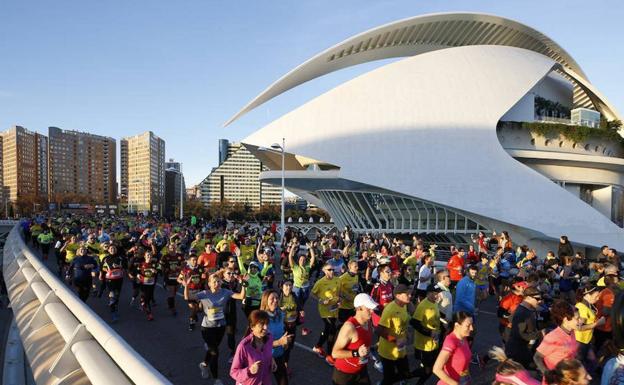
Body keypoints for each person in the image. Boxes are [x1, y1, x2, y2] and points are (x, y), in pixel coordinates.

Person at [185, 270, 245, 383]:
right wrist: (187, 285)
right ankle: (216, 379)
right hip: (207, 328)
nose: (217, 283)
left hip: (220, 327)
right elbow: (187, 296)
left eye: (218, 281)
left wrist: (243, 284)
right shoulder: (204, 293)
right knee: (215, 352)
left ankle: (204, 364)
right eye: (214, 282)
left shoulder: (225, 292)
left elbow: (241, 296)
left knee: (213, 348)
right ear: (209, 283)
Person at [331, 293, 378, 385]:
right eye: (368, 308)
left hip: (361, 370)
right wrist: (357, 353)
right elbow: (335, 353)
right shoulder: (349, 327)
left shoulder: (368, 323)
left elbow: (362, 345)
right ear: (359, 308)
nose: (372, 311)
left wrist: (373, 348)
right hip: (344, 375)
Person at [377, 284, 412, 385]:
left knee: (406, 374)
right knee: (389, 379)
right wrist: (395, 340)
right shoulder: (390, 309)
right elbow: (379, 330)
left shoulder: (404, 305)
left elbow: (402, 323)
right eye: (407, 294)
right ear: (398, 296)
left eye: (410, 294)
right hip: (388, 352)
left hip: (401, 349)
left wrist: (406, 332)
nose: (410, 296)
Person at [230, 310, 277, 385]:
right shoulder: (243, 346)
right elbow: (233, 372)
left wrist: (272, 360)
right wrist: (249, 371)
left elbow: (268, 351)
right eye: (261, 324)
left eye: (267, 323)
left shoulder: (269, 337)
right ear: (252, 327)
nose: (266, 327)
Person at [534, 300, 580, 373]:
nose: (580, 321)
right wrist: (548, 374)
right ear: (565, 320)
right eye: (577, 319)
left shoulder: (572, 332)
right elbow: (537, 357)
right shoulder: (553, 337)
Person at [504, 286, 543, 369]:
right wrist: (539, 334)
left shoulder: (525, 309)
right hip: (518, 352)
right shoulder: (522, 313)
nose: (540, 301)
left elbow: (510, 318)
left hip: (522, 349)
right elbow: (520, 335)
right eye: (537, 299)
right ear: (528, 297)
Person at [260, 290, 293, 385]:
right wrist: (279, 342)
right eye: (272, 298)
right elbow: (260, 343)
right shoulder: (261, 318)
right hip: (264, 357)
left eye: (277, 298)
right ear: (265, 301)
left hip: (279, 354)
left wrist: (286, 342)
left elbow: (282, 331)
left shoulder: (280, 314)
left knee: (283, 382)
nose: (275, 300)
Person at [411, 284, 442, 385]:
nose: (438, 295)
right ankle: (404, 376)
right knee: (428, 370)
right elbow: (414, 323)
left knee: (430, 369)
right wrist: (429, 333)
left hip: (434, 342)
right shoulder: (423, 306)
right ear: (428, 294)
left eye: (438, 293)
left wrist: (445, 321)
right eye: (435, 293)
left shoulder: (434, 302)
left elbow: (436, 315)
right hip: (424, 345)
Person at [432, 311, 474, 385]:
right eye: (468, 325)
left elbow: (464, 366)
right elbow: (436, 369)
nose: (472, 328)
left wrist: (468, 379)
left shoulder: (464, 338)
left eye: (472, 325)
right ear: (457, 325)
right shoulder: (451, 342)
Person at [311, 262, 341, 365]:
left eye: (332, 269)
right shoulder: (320, 282)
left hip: (334, 309)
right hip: (325, 310)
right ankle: (330, 355)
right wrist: (320, 300)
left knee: (328, 330)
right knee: (331, 329)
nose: (332, 271)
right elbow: (313, 294)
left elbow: (338, 293)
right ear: (324, 271)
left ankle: (317, 346)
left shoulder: (337, 280)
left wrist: (339, 300)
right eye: (329, 270)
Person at [574, 284, 605, 369]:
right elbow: (579, 327)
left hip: (587, 339)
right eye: (596, 296)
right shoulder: (581, 307)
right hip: (580, 341)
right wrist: (598, 323)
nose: (598, 298)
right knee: (580, 363)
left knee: (591, 360)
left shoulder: (589, 304)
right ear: (587, 295)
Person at [177, 253, 206, 331]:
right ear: (189, 261)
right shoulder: (185, 270)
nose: (195, 261)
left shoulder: (200, 268)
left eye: (196, 260)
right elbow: (178, 279)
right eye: (193, 260)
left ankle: (195, 315)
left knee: (200, 309)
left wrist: (204, 277)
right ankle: (191, 322)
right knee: (193, 308)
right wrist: (183, 282)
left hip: (199, 291)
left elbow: (204, 278)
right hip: (189, 292)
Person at [99, 245, 126, 322]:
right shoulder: (105, 258)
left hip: (119, 279)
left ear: (116, 250)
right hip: (109, 279)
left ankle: (115, 306)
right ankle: (113, 313)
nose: (112, 249)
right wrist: (102, 274)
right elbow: (102, 267)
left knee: (117, 295)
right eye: (111, 248)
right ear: (108, 250)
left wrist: (119, 266)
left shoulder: (121, 258)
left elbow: (126, 267)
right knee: (112, 295)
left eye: (114, 248)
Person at [159, 245, 185, 316]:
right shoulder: (165, 256)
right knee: (171, 292)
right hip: (169, 277)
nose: (172, 249)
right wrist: (165, 270)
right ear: (168, 249)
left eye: (173, 248)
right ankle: (173, 308)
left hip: (178, 277)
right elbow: (160, 266)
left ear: (176, 248)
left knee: (174, 292)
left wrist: (179, 267)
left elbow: (183, 265)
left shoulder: (179, 256)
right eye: (171, 248)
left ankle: (169, 301)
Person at [338, 259, 361, 325]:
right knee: (345, 326)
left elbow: (355, 289)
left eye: (357, 266)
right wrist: (346, 297)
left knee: (353, 325)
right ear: (349, 267)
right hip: (344, 307)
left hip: (353, 306)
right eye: (355, 266)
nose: (357, 268)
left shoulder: (356, 276)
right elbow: (336, 291)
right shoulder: (342, 278)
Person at [137, 250, 158, 320]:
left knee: (148, 299)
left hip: (151, 284)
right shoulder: (141, 264)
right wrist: (138, 275)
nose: (149, 256)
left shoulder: (154, 264)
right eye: (148, 255)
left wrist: (155, 271)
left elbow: (160, 272)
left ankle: (143, 302)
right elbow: (136, 272)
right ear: (145, 256)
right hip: (143, 284)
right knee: (146, 300)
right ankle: (149, 314)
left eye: (150, 255)